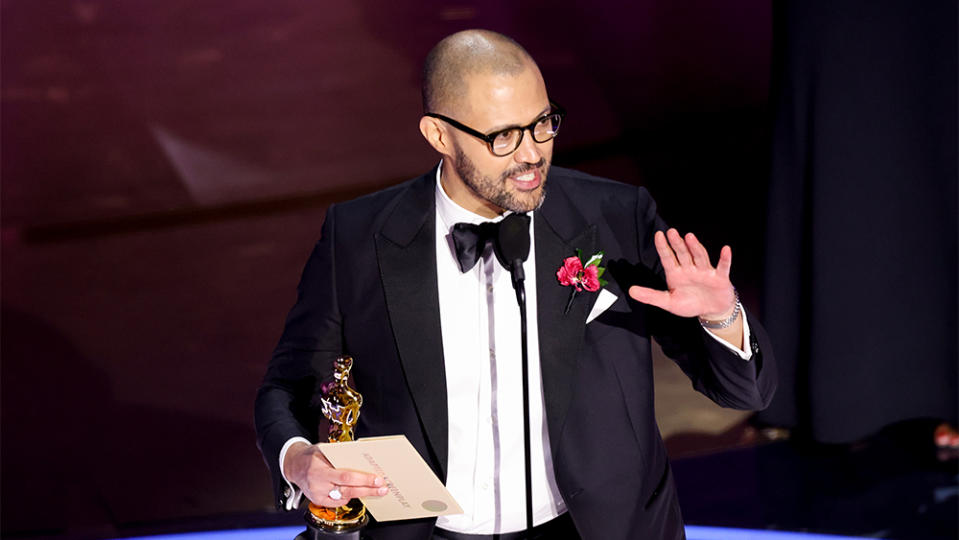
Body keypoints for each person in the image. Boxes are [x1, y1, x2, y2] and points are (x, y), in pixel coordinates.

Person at [255, 29, 776, 540]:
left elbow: (745, 390)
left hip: (592, 528)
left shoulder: (614, 219)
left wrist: (721, 316)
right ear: (439, 135)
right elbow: (289, 384)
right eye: (503, 136)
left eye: (543, 124)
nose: (531, 155)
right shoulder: (360, 237)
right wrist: (297, 460)